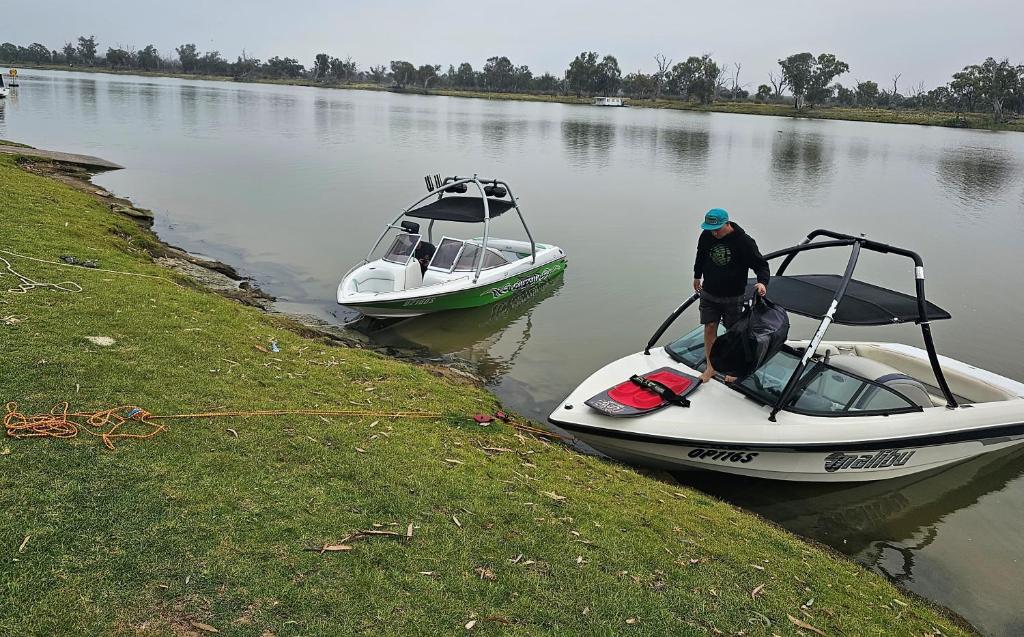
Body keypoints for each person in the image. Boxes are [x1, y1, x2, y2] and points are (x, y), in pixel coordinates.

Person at [692, 208, 770, 383]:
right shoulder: (706, 236)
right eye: (711, 229)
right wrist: (697, 275)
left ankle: (734, 368)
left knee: (734, 333)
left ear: (727, 223)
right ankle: (710, 368)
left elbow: (761, 265)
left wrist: (762, 282)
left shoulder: (744, 242)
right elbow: (701, 255)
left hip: (733, 296)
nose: (714, 233)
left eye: (717, 229)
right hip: (709, 292)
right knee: (709, 326)